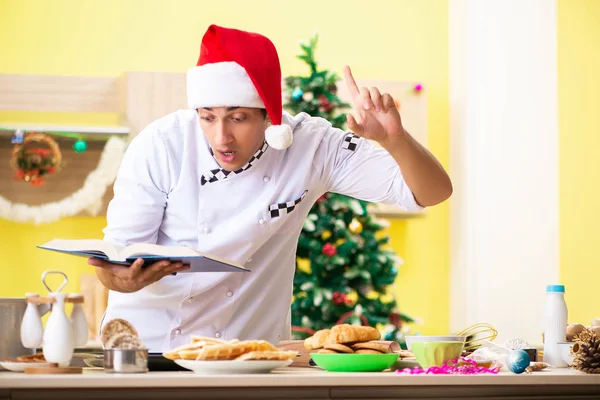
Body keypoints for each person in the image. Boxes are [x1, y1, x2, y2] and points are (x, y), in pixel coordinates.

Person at [88, 24, 452, 352]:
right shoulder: (161, 144)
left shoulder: (311, 146)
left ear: (269, 114)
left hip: (250, 357)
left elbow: (432, 193)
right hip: (147, 351)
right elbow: (112, 261)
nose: (221, 136)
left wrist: (396, 139)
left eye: (238, 117)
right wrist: (123, 280)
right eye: (208, 117)